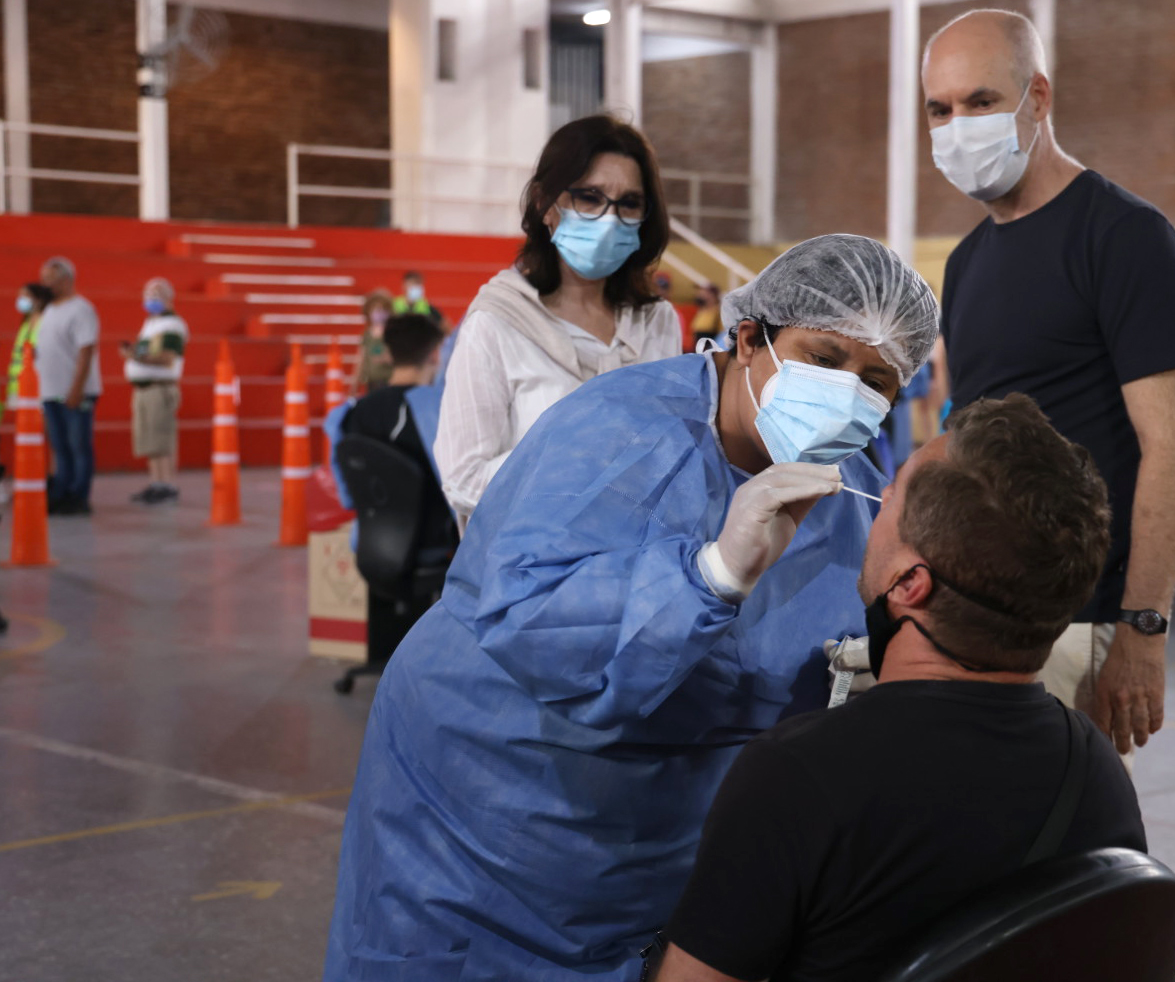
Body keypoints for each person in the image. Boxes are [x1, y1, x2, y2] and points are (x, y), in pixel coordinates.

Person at [324, 234, 939, 982]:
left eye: (878, 379)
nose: (849, 393)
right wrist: (709, 575)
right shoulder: (617, 430)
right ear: (749, 338)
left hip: (657, 833)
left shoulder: (846, 490)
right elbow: (531, 622)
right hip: (492, 800)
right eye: (825, 359)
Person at [656, 395, 1145, 982]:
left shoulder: (799, 777)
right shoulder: (1094, 768)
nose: (880, 494)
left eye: (897, 492)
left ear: (910, 585)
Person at [922, 8, 1175, 757]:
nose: (958, 125)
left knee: (1056, 850)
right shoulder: (965, 261)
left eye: (980, 102)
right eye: (939, 109)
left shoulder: (1123, 239)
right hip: (976, 612)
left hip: (1079, 624)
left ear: (1038, 98)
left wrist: (1142, 631)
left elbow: (1174, 448)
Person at [435, 115, 683, 526]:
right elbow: (462, 481)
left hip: (636, 565)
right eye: (589, 197)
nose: (609, 219)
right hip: (534, 568)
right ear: (544, 204)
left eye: (628, 204)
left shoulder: (656, 322)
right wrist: (571, 459)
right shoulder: (497, 323)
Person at [337, 314, 456, 656]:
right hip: (431, 546)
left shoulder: (356, 412)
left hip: (372, 544)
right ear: (436, 355)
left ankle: (387, 656)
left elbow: (348, 495)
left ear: (387, 354)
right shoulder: (442, 411)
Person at [34, 257, 101, 516]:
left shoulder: (81, 309)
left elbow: (86, 351)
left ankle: (79, 495)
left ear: (66, 280)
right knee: (60, 447)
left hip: (74, 391)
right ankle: (61, 491)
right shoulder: (49, 310)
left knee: (78, 445)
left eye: (50, 279)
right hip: (50, 391)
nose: (45, 284)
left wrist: (77, 388)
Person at [120, 278, 188, 505]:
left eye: (156, 294)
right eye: (147, 294)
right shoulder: (151, 323)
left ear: (169, 297)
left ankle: (167, 484)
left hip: (160, 389)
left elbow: (167, 358)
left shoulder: (172, 325)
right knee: (149, 440)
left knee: (161, 438)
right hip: (145, 388)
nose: (150, 299)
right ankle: (156, 482)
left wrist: (135, 356)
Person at [5, 282, 52, 427]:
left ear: (38, 300)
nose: (20, 300)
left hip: (38, 384)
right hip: (19, 384)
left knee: (43, 426)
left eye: (25, 296)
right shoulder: (25, 324)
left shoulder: (46, 322)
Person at [353, 290, 393, 394]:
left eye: (384, 310)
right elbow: (360, 360)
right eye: (376, 310)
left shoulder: (392, 333)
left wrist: (387, 358)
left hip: (389, 382)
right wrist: (354, 387)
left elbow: (399, 357)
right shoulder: (367, 335)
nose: (380, 314)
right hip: (372, 382)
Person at [690, 283, 723, 348]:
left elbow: (722, 335)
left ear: (712, 295)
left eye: (703, 292)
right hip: (699, 347)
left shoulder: (718, 312)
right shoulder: (701, 311)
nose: (699, 294)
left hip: (711, 349)